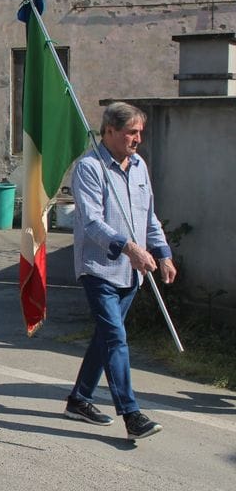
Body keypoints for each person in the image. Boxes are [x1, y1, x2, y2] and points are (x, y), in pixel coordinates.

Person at [64, 102, 176, 441]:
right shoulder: (89, 168)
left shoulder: (139, 166)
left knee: (105, 337)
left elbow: (148, 217)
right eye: (131, 132)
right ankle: (131, 413)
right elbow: (92, 222)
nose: (137, 139)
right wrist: (129, 248)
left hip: (133, 272)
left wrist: (163, 253)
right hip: (100, 268)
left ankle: (79, 398)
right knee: (116, 338)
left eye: (140, 132)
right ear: (109, 131)